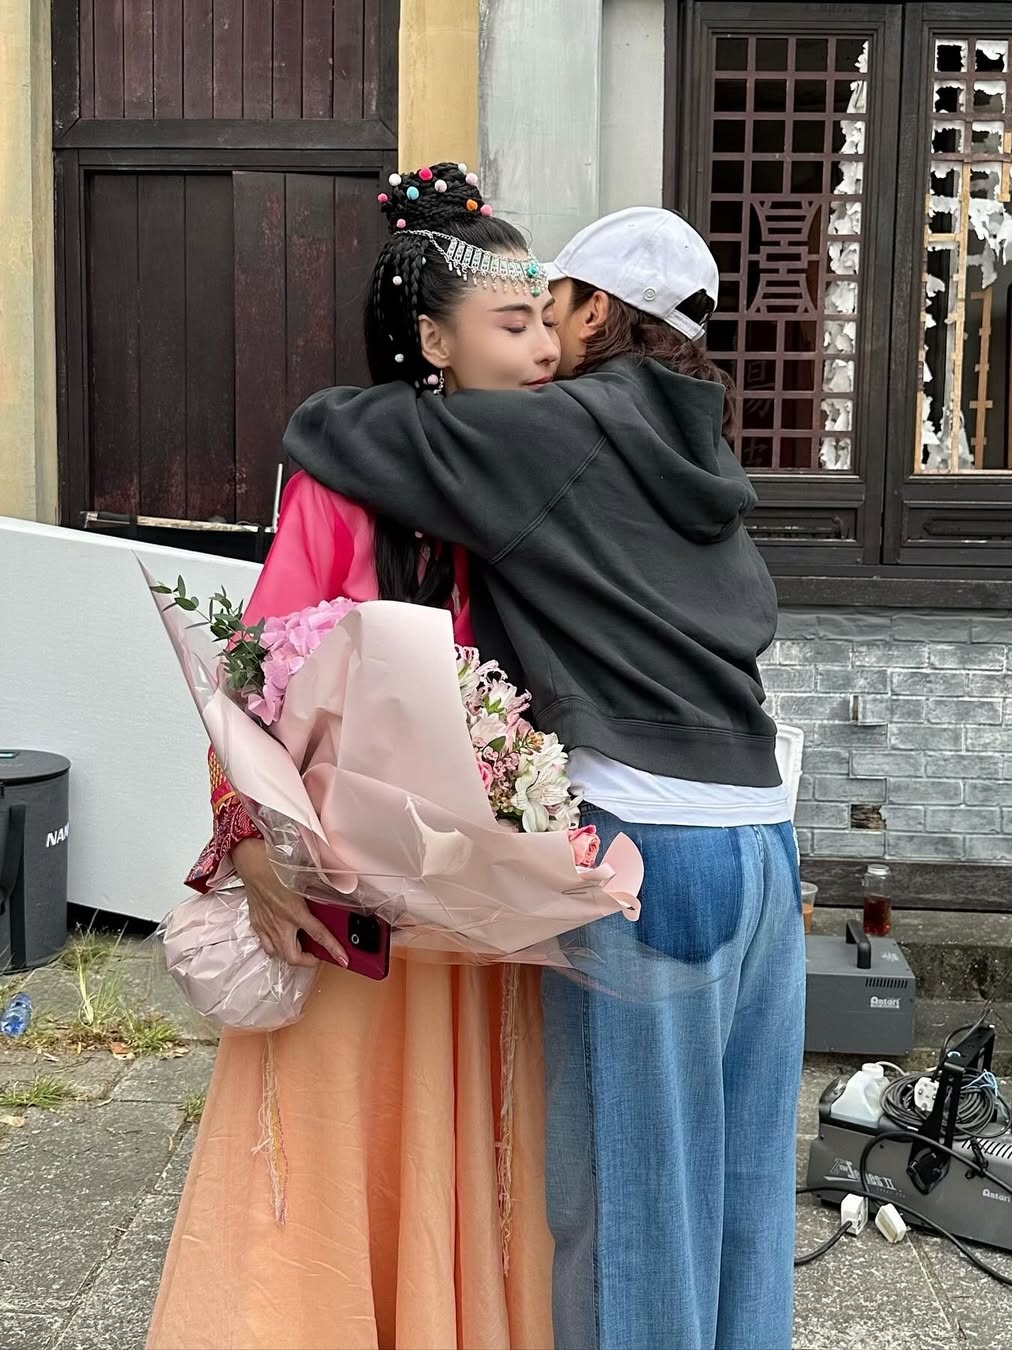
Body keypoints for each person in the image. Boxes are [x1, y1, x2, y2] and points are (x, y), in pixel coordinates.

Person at [283, 205, 805, 1350]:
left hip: (651, 857)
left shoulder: (563, 430)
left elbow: (330, 426)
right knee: (745, 1214)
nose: (538, 341)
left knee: (629, 1225)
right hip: (767, 846)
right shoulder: (704, 455)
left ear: (599, 312)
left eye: (549, 309)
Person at [146, 164, 562, 1350]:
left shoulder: (539, 471)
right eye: (515, 322)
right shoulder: (344, 480)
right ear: (433, 340)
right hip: (352, 889)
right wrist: (251, 842)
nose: (545, 348)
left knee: (464, 1142)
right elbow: (253, 680)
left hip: (478, 892)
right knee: (343, 1149)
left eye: (547, 321)